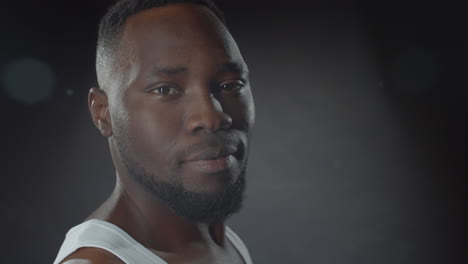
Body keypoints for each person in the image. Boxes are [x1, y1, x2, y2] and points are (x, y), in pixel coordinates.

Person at [53, 0, 255, 263]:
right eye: (165, 89)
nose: (211, 117)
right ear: (103, 112)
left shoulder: (223, 242)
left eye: (230, 85)